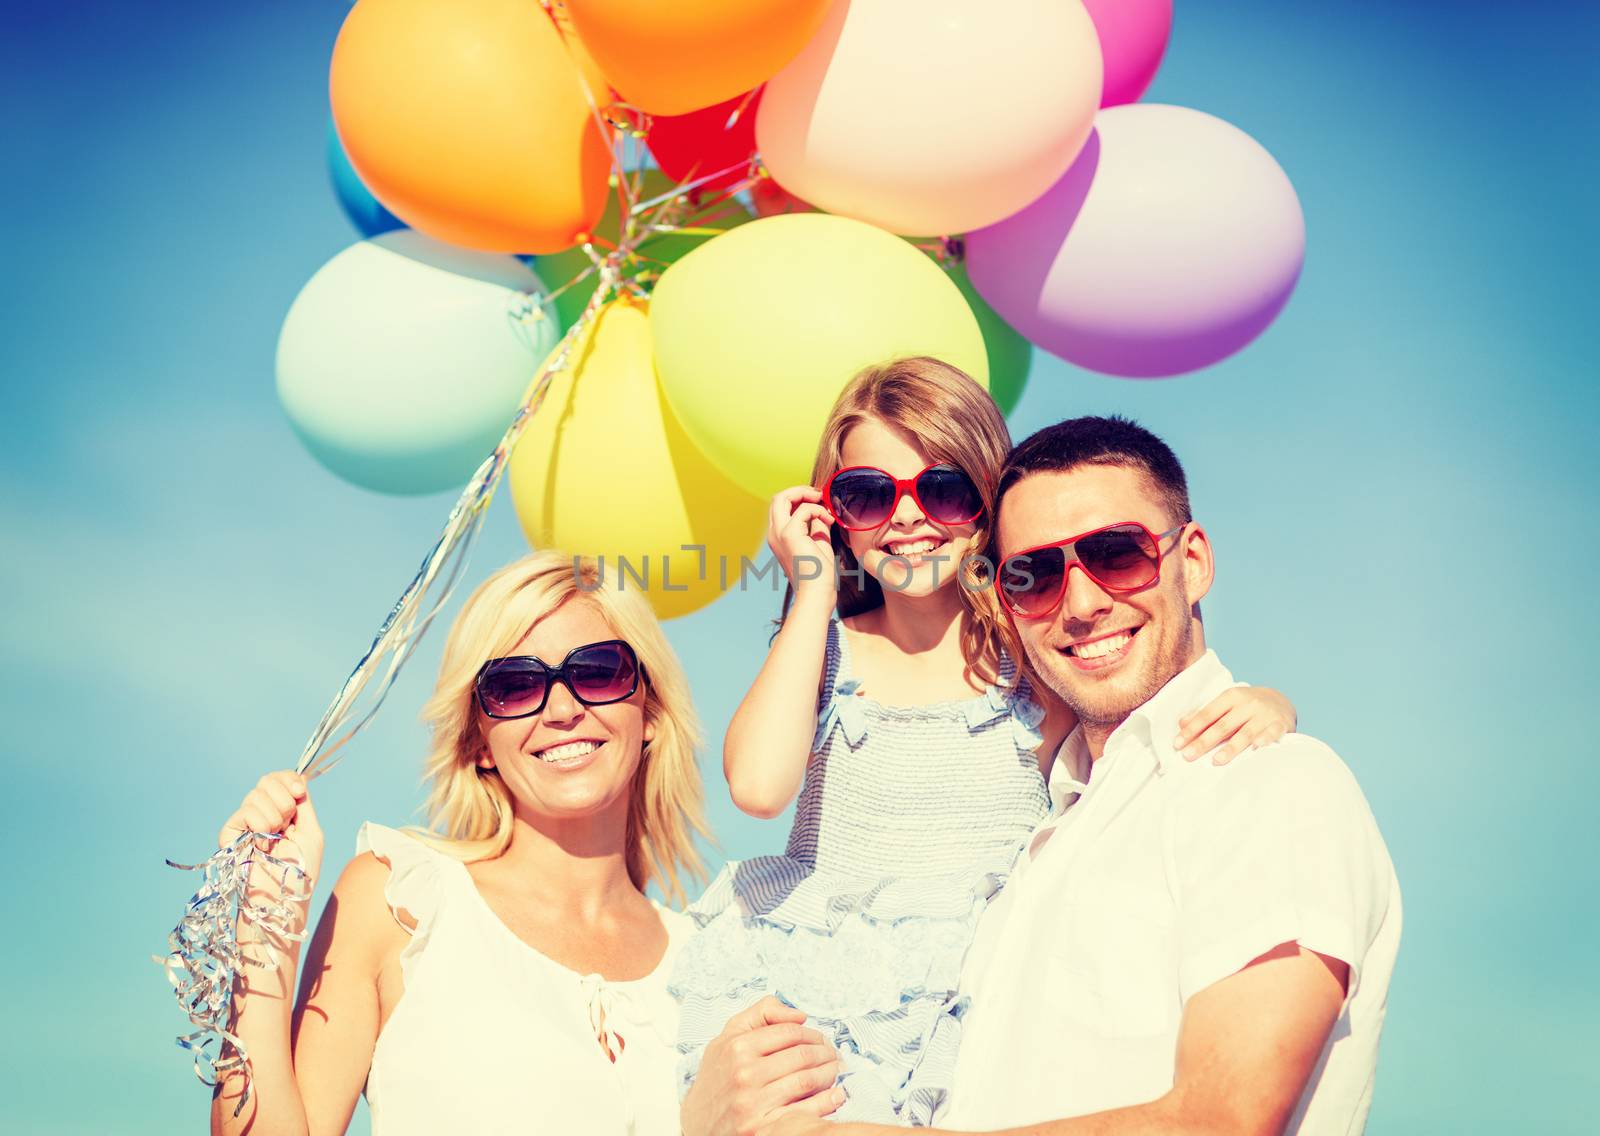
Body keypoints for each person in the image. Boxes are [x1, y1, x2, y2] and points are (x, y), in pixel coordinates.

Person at [703, 416, 1402, 1136]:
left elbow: (1220, 1119)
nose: (1081, 603)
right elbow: (757, 784)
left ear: (1192, 561)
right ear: (1006, 594)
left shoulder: (1262, 783)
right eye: (1034, 574)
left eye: (1117, 554)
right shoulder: (1056, 831)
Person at [209, 550, 711, 1136]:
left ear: (648, 707)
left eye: (597, 671)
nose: (563, 710)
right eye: (516, 687)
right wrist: (263, 936)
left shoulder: (713, 964)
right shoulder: (398, 903)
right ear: (478, 742)